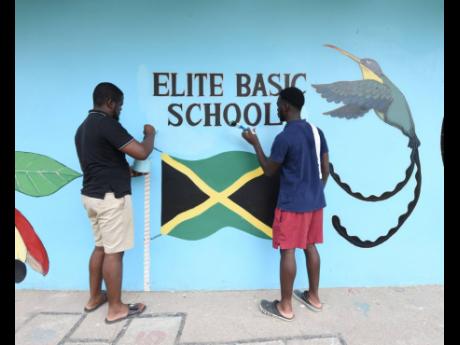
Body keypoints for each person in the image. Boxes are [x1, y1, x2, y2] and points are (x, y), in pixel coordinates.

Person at [241, 87, 329, 321]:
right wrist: (315, 192)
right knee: (310, 246)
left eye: (278, 105)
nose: (277, 108)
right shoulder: (317, 132)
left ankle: (286, 307)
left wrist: (255, 142)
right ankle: (314, 298)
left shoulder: (285, 137)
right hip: (315, 203)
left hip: (292, 205)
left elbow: (269, 170)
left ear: (286, 107)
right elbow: (326, 170)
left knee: (287, 251)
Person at [75, 82, 155, 324]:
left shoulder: (83, 128)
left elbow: (100, 164)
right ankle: (116, 308)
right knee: (114, 253)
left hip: (92, 196)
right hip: (111, 199)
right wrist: (150, 135)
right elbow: (141, 152)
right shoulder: (107, 124)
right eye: (119, 105)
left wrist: (127, 173)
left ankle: (94, 298)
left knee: (100, 247)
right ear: (110, 102)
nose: (120, 109)